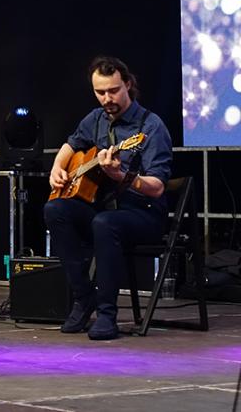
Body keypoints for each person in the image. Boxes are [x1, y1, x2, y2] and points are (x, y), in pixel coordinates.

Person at [44, 56, 172, 340]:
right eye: (100, 92)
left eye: (113, 91)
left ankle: (106, 314)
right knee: (55, 209)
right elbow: (71, 144)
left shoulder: (150, 126)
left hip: (143, 213)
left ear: (128, 84)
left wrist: (120, 176)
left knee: (104, 223)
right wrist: (57, 167)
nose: (107, 98)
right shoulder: (95, 119)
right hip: (105, 210)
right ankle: (83, 297)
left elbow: (157, 188)